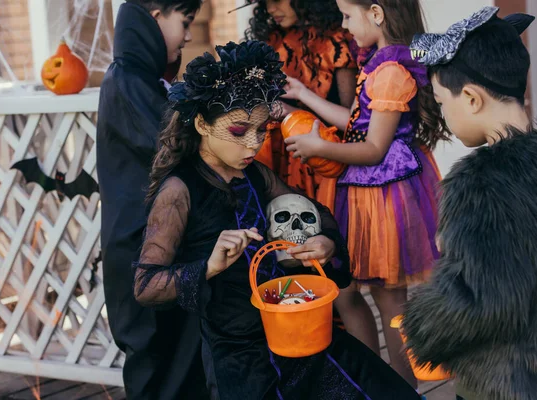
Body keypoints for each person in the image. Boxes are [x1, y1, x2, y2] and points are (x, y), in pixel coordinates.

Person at [133, 40, 422, 400]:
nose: (252, 145)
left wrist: (324, 242)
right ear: (203, 125)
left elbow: (316, 213)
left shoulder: (256, 175)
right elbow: (145, 285)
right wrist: (207, 266)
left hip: (301, 334)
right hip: (241, 360)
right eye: (239, 131)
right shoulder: (179, 190)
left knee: (377, 387)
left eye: (261, 131)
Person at [280, 0, 448, 388]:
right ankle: (372, 384)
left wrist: (320, 148)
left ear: (376, 13)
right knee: (346, 290)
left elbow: (373, 148)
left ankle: (402, 390)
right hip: (357, 193)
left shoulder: (390, 71)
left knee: (391, 299)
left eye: (347, 15)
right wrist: (305, 95)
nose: (343, 24)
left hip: (385, 196)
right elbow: (355, 124)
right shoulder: (374, 63)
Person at [402, 8, 537, 400]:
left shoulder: (479, 186)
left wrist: (419, 320)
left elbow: (481, 300)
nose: (443, 113)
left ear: (470, 98)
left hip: (506, 380)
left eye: (441, 101)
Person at [96, 1, 207, 399]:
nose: (190, 35)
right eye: (185, 22)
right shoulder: (126, 81)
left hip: (163, 242)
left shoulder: (145, 79)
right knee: (156, 371)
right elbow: (176, 147)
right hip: (142, 251)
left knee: (183, 368)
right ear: (155, 15)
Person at [241, 0, 357, 206]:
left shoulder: (335, 40)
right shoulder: (270, 40)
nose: (270, 9)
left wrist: (291, 112)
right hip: (275, 157)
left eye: (276, 0)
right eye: (264, 3)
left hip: (322, 160)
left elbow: (352, 123)